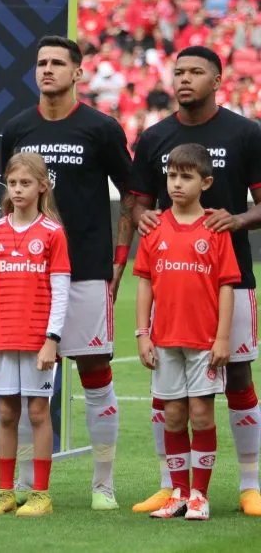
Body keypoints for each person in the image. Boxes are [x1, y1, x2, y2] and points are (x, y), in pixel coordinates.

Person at [1, 36, 133, 510]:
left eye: (58, 63)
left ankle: (103, 484)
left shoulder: (101, 128)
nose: (48, 70)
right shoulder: (17, 128)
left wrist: (119, 260)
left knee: (94, 371)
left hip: (85, 269)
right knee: (20, 382)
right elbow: (9, 202)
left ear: (78, 72)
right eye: (41, 63)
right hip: (26, 276)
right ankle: (17, 485)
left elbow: (133, 197)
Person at [129, 46, 261, 516]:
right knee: (167, 392)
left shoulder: (246, 133)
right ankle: (171, 486)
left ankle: (250, 484)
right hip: (172, 283)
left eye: (196, 72)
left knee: (239, 376)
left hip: (231, 279)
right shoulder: (154, 137)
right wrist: (143, 219)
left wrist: (236, 220)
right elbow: (139, 202)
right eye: (179, 71)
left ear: (218, 79)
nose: (185, 79)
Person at [133, 143, 239, 521]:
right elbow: (144, 282)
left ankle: (199, 495)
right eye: (172, 176)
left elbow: (227, 284)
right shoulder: (154, 227)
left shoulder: (214, 228)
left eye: (186, 177)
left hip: (203, 341)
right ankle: (177, 493)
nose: (177, 183)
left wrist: (223, 337)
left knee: (201, 415)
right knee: (174, 416)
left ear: (206, 182)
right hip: (164, 340)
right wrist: (142, 334)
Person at [0, 152, 70, 517]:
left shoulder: (52, 233)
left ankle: (40, 494)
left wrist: (52, 338)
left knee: (38, 412)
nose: (17, 189)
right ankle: (5, 492)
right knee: (5, 412)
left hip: (37, 340)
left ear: (42, 187)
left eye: (26, 183)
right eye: (12, 183)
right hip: (2, 337)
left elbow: (60, 291)